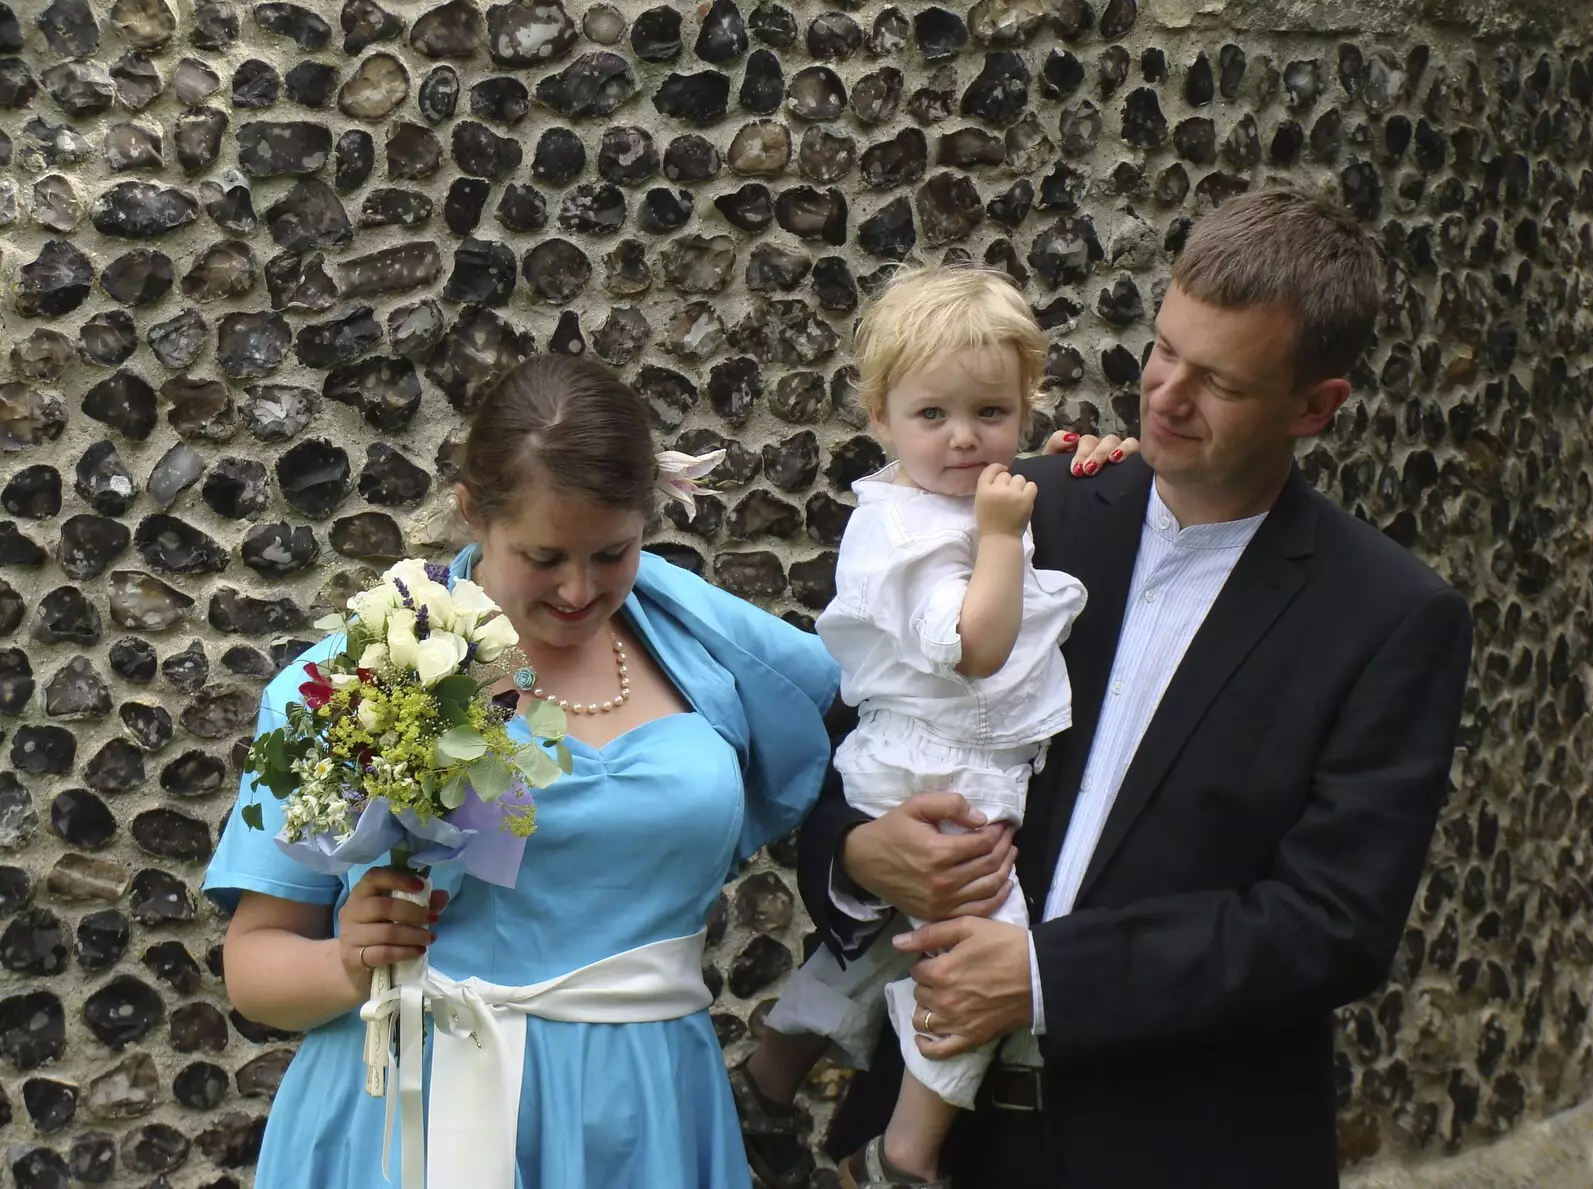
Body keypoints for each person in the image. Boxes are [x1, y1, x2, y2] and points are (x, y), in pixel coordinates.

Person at [797, 188, 1476, 1188]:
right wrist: (858, 851)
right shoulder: (1014, 511)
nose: (1162, 395)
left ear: (1314, 407)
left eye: (1219, 383)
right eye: (1164, 349)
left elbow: (1329, 925)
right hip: (945, 1152)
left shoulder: (1389, 616)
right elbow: (848, 732)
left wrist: (1040, 979)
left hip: (1177, 1149)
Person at [203, 354, 847, 1189]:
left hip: (649, 1117)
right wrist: (348, 963)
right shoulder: (356, 681)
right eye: (544, 556)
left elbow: (865, 729)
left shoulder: (709, 656)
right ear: (473, 512)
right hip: (419, 1123)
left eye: (613, 553)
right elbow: (255, 965)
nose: (580, 589)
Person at [732, 268, 1087, 1189]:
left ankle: (767, 1081)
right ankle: (906, 1153)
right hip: (942, 765)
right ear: (880, 416)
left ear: (1029, 406)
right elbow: (972, 645)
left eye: (991, 410)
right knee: (984, 951)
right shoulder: (923, 532)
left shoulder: (931, 498)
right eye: (933, 414)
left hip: (923, 754)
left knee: (887, 942)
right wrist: (1005, 536)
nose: (965, 436)